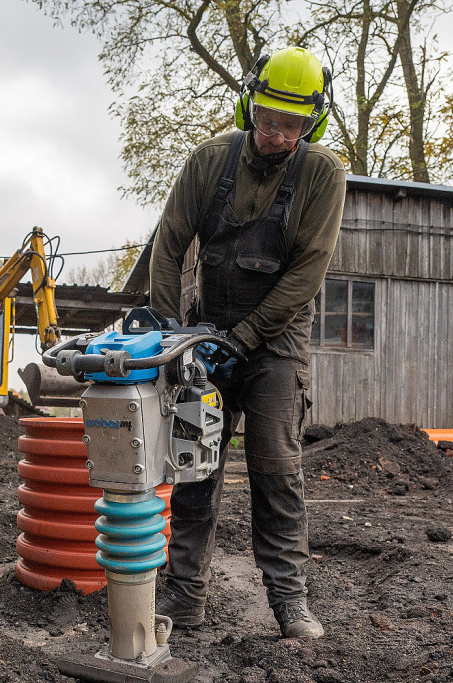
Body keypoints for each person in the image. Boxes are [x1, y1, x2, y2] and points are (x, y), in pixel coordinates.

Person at [149, 47, 346, 638]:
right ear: (248, 103)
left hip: (275, 343)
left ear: (312, 123)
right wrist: (170, 337)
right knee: (193, 468)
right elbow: (167, 247)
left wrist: (244, 338)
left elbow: (307, 274)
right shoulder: (209, 160)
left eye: (290, 126)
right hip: (204, 333)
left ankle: (289, 602)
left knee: (276, 468)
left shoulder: (322, 175)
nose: (273, 134)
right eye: (265, 118)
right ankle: (184, 601)